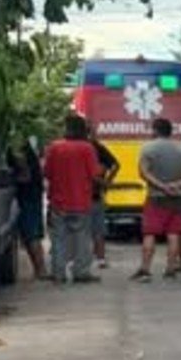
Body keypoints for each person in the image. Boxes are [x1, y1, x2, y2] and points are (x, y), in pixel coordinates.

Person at [132, 118, 181, 283]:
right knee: (173, 234)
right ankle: (170, 269)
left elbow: (143, 172)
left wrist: (161, 186)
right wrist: (178, 184)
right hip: (178, 198)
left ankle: (145, 269)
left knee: (150, 233)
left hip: (156, 197)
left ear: (155, 130)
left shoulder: (148, 148)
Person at [44, 114, 102, 284]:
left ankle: (58, 273)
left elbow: (47, 173)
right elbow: (95, 174)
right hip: (81, 202)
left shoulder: (54, 148)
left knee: (59, 239)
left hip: (58, 202)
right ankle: (81, 272)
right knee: (82, 239)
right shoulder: (87, 148)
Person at [9, 138, 49, 281]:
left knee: (31, 235)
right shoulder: (28, 153)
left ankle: (41, 270)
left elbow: (25, 177)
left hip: (27, 198)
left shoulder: (20, 154)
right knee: (30, 236)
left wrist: (11, 179)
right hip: (32, 196)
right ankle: (39, 269)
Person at [88, 124, 119, 270]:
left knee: (80, 229)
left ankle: (79, 258)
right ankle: (100, 258)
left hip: (78, 194)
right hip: (95, 193)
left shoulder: (78, 147)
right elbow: (116, 165)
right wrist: (107, 183)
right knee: (98, 228)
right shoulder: (97, 147)